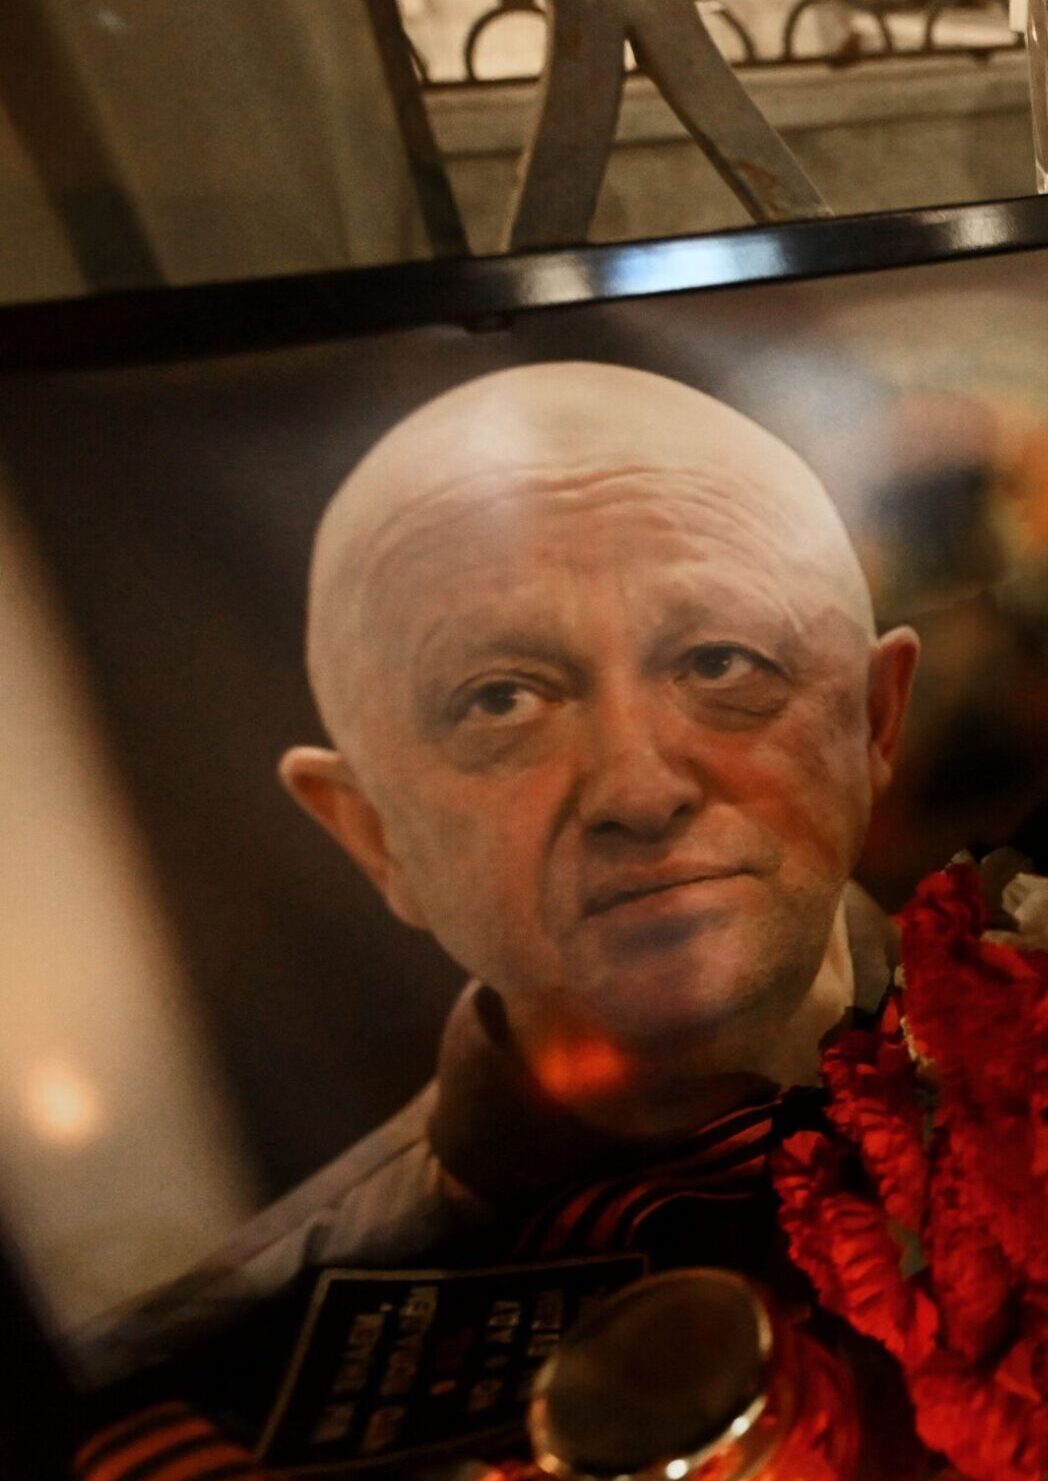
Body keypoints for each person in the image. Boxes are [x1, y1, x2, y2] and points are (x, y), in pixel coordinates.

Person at [77, 362, 921, 1377]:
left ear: (874, 718)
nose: (639, 789)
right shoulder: (228, 1374)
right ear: (372, 832)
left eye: (719, 662)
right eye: (501, 699)